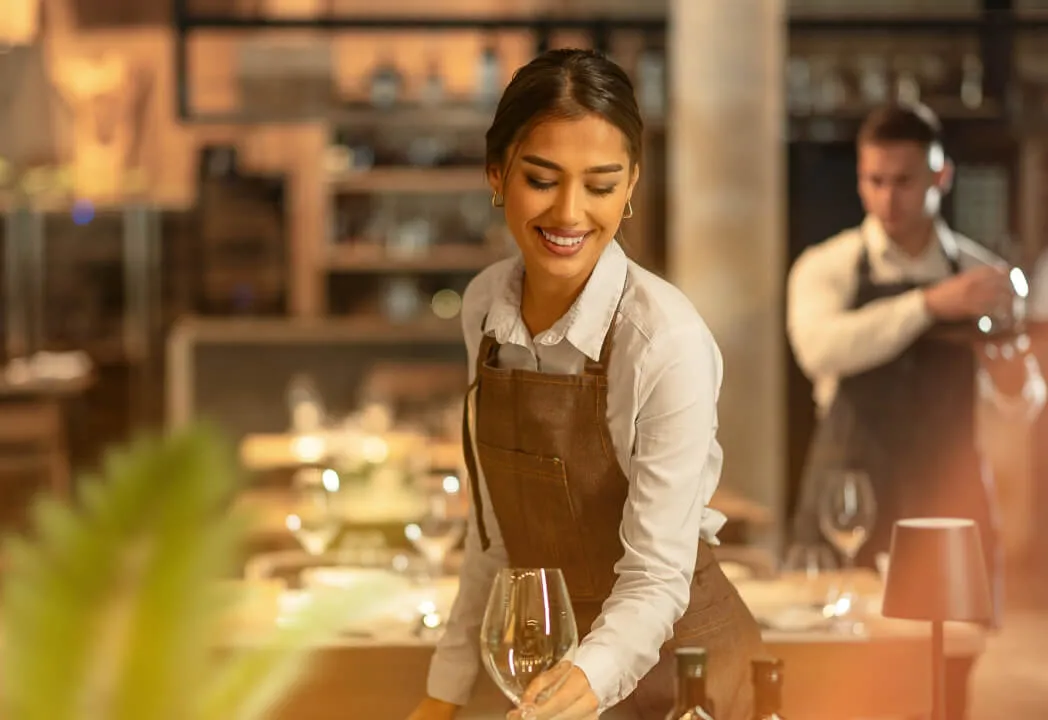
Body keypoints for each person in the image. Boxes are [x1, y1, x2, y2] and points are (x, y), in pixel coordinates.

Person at [407, 49, 764, 720]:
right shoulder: (485, 309)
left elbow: (657, 580)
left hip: (682, 673)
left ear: (631, 186)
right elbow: (497, 542)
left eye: (600, 186)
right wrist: (442, 693)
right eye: (542, 179)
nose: (569, 213)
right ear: (496, 175)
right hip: (560, 666)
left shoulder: (665, 341)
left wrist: (578, 684)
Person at [787, 103, 1017, 717]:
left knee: (945, 688)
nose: (887, 198)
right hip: (850, 501)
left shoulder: (980, 273)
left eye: (905, 180)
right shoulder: (826, 267)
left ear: (942, 176)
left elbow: (1017, 407)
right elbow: (819, 348)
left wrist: (1017, 372)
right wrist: (931, 304)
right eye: (874, 180)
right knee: (840, 685)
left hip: (951, 502)